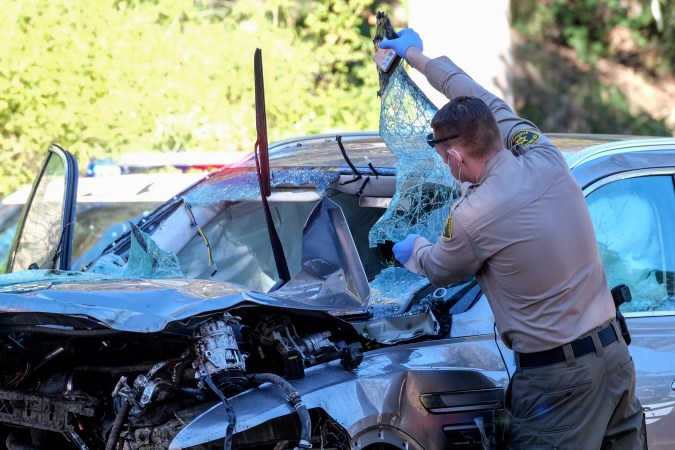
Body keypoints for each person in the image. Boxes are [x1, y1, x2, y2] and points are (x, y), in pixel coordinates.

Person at [379, 29, 645, 449]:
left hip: (559, 385)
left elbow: (439, 270)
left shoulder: (473, 216)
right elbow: (473, 91)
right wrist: (416, 55)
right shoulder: (542, 152)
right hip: (614, 361)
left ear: (453, 157)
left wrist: (414, 251)